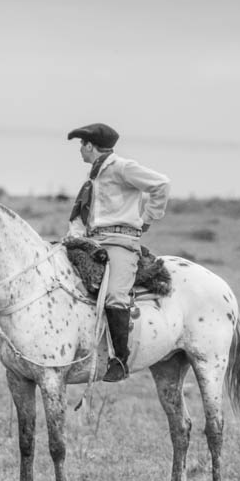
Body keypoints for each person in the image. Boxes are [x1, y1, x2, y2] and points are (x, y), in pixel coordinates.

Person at [66, 122, 170, 381]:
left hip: (120, 243)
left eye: (82, 145)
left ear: (90, 146)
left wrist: (147, 218)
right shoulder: (94, 176)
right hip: (92, 242)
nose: (80, 150)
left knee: (114, 295)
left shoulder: (123, 167)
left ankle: (120, 360)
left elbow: (161, 184)